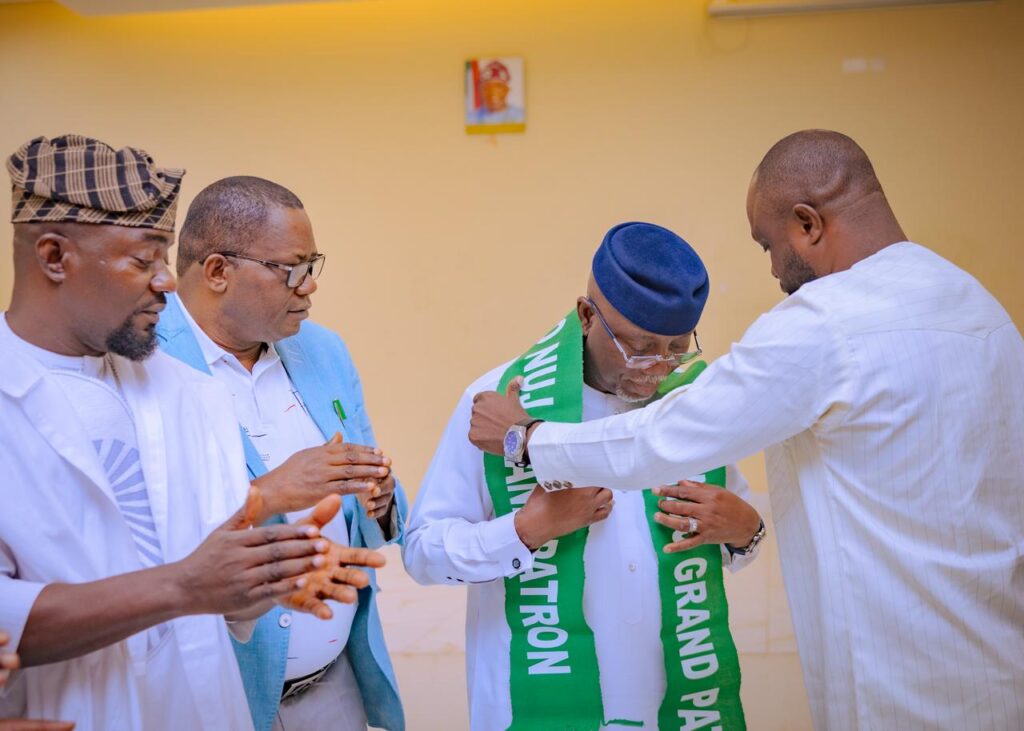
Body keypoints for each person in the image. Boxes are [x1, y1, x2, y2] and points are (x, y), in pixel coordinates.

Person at [469, 131, 1024, 729]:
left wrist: (528, 438)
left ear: (807, 223)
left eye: (768, 244)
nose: (774, 269)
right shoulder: (980, 308)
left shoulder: (825, 323)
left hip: (899, 682)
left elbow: (664, 438)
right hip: (997, 663)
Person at [0, 135, 382, 731]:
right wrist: (185, 587)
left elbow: (209, 578)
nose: (168, 281)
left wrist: (263, 580)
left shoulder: (186, 391)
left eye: (164, 257)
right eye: (142, 260)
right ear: (54, 257)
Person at [406, 222, 764, 730]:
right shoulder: (499, 402)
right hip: (537, 704)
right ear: (587, 315)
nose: (657, 368)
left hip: (676, 707)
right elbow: (422, 552)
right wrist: (523, 531)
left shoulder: (690, 406)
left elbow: (730, 545)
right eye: (640, 347)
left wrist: (746, 531)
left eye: (676, 348)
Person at [158, 176, 407, 731]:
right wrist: (269, 493)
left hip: (335, 684)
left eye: (313, 265)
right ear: (217, 271)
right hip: (216, 695)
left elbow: (375, 509)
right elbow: (144, 542)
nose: (309, 286)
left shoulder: (324, 350)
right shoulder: (143, 362)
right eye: (292, 269)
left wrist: (382, 499)